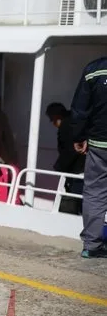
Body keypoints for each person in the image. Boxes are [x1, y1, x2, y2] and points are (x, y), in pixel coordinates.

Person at [70, 56, 107, 258]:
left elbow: (80, 109)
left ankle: (91, 245)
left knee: (94, 193)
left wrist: (79, 136)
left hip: (99, 144)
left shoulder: (94, 69)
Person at [45, 102, 85, 215]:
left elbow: (70, 150)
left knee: (76, 198)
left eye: (52, 120)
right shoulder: (76, 123)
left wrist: (60, 166)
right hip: (84, 167)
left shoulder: (66, 127)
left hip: (77, 170)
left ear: (56, 117)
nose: (52, 123)